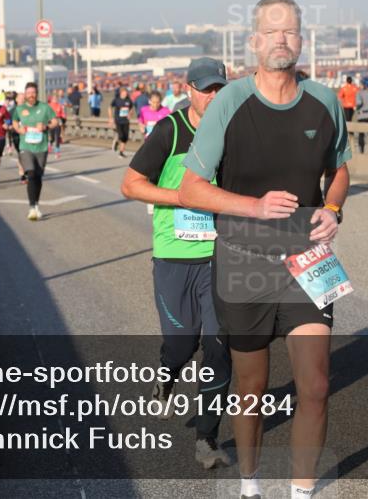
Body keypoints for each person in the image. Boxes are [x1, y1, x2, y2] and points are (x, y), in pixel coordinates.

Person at [179, 0, 351, 499]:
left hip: (308, 260)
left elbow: (338, 169)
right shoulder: (231, 102)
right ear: (254, 42)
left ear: (302, 40)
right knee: (251, 389)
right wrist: (253, 207)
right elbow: (192, 188)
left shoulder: (324, 101)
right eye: (272, 31)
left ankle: (301, 493)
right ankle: (250, 485)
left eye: (291, 31)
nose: (282, 38)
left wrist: (333, 209)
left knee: (316, 386)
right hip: (243, 260)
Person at [120, 57, 232, 470]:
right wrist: (184, 198)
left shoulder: (233, 132)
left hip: (221, 257)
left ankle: (207, 438)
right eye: (206, 89)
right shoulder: (170, 130)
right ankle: (166, 380)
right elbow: (131, 184)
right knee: (183, 342)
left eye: (220, 88)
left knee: (219, 347)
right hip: (173, 255)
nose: (214, 96)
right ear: (189, 91)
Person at [12, 82, 58, 220]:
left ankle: (36, 204)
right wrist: (19, 129)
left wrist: (46, 126)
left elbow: (55, 121)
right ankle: (32, 208)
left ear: (36, 94)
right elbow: (14, 121)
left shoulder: (44, 107)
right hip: (25, 146)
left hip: (41, 147)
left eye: (33, 92)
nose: (31, 95)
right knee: (31, 173)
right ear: (25, 95)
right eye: (28, 93)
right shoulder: (19, 109)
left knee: (38, 176)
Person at [110, 85, 134, 157]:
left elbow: (131, 108)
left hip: (126, 121)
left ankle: (121, 152)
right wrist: (110, 118)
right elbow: (110, 107)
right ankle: (117, 142)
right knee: (121, 136)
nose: (125, 94)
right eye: (124, 92)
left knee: (125, 137)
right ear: (121, 93)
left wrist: (130, 114)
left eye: (126, 92)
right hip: (118, 120)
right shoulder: (116, 100)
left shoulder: (128, 100)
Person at [48, 92, 66, 159]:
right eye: (54, 98)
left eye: (56, 98)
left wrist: (63, 116)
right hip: (51, 122)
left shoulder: (59, 105)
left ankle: (57, 152)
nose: (55, 99)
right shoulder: (49, 105)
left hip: (57, 122)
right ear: (52, 99)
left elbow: (62, 113)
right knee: (52, 138)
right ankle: (50, 144)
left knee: (57, 137)